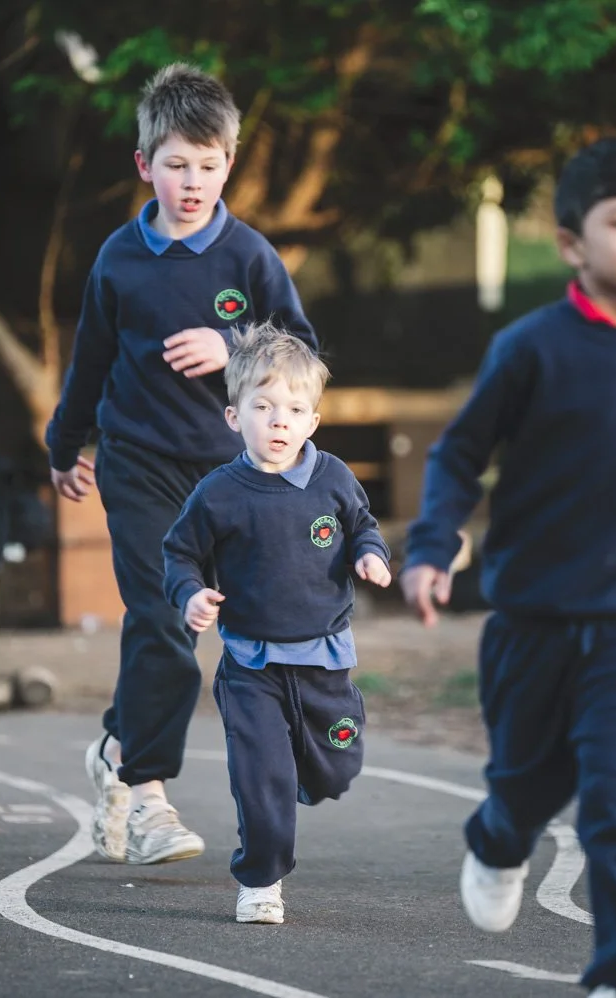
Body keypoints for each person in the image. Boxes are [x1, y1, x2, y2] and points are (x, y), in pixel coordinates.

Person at [402, 137, 616, 998]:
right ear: (570, 243)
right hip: (530, 628)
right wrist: (433, 546)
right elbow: (459, 456)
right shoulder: (531, 349)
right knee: (527, 787)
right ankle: (498, 838)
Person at [44, 63, 316, 866]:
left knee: (229, 630)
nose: (191, 182)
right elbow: (90, 361)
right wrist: (64, 445)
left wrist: (234, 345)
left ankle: (116, 747)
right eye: (175, 164)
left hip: (229, 479)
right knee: (164, 619)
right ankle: (150, 799)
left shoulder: (250, 257)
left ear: (228, 165)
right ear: (144, 165)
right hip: (139, 466)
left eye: (207, 164)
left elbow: (301, 352)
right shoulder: (118, 260)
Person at [163, 323, 391, 924]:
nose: (278, 421)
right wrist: (190, 594)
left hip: (325, 663)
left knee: (337, 768)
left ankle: (304, 774)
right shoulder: (218, 493)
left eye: (292, 410)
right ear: (234, 417)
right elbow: (180, 553)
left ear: (312, 421)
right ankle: (261, 880)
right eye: (262, 407)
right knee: (261, 777)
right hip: (251, 666)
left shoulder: (333, 478)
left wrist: (370, 555)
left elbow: (364, 526)